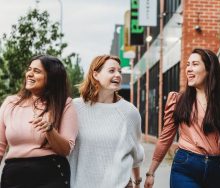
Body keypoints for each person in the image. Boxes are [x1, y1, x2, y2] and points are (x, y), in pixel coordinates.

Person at [144, 48, 220, 188]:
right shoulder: (178, 101)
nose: (189, 69)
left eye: (195, 64)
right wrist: (151, 172)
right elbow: (165, 137)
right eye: (188, 64)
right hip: (186, 166)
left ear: (210, 69)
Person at [0, 55, 78, 188]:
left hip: (50, 174)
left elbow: (66, 149)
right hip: (13, 176)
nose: (29, 74)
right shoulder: (10, 103)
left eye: (37, 71)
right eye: (29, 69)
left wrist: (50, 130)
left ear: (51, 77)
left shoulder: (64, 104)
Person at [68, 55, 144, 188]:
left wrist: (138, 181)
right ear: (96, 74)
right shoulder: (74, 107)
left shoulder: (129, 112)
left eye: (119, 71)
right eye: (112, 70)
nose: (118, 75)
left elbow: (136, 152)